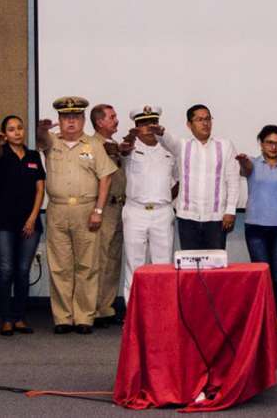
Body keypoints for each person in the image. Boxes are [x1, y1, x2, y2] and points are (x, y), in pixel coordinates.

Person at [37, 96, 117, 335]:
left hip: (87, 210)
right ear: (59, 120)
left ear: (83, 119)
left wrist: (99, 210)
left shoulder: (93, 145)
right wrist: (41, 128)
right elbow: (39, 139)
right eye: (65, 117)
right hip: (58, 210)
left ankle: (84, 316)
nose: (70, 122)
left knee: (87, 266)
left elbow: (106, 177)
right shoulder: (51, 142)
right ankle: (62, 317)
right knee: (60, 267)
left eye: (75, 117)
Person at [236, 125, 277, 333]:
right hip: (255, 229)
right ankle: (262, 315)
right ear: (261, 144)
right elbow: (245, 169)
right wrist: (244, 161)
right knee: (261, 275)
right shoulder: (253, 164)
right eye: (269, 142)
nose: (274, 146)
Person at [155, 104, 239, 250]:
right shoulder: (182, 145)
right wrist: (160, 132)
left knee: (215, 267)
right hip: (188, 218)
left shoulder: (225, 146)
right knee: (191, 266)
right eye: (200, 119)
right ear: (189, 124)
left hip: (216, 218)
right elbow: (167, 140)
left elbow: (233, 180)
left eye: (208, 119)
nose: (205, 123)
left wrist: (230, 210)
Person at [0, 115, 45, 336]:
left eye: (20, 128)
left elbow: (40, 189)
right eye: (11, 129)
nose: (17, 132)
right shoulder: (1, 154)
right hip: (3, 222)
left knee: (22, 271)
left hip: (30, 222)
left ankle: (20, 317)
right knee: (5, 270)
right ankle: (5, 318)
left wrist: (32, 218)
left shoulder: (33, 156)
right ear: (5, 133)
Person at [118, 105, 178, 304]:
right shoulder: (130, 147)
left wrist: (165, 199)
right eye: (143, 124)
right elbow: (122, 151)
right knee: (134, 263)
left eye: (153, 122)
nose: (149, 127)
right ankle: (133, 310)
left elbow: (178, 180)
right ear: (136, 127)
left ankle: (162, 308)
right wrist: (129, 138)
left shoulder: (169, 149)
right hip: (136, 211)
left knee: (163, 264)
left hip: (162, 212)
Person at [89, 104, 126, 328]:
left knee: (113, 260)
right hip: (104, 208)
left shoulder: (116, 146)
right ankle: (92, 309)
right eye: (112, 117)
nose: (116, 120)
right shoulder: (93, 145)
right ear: (100, 122)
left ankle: (106, 307)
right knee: (99, 259)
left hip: (121, 208)